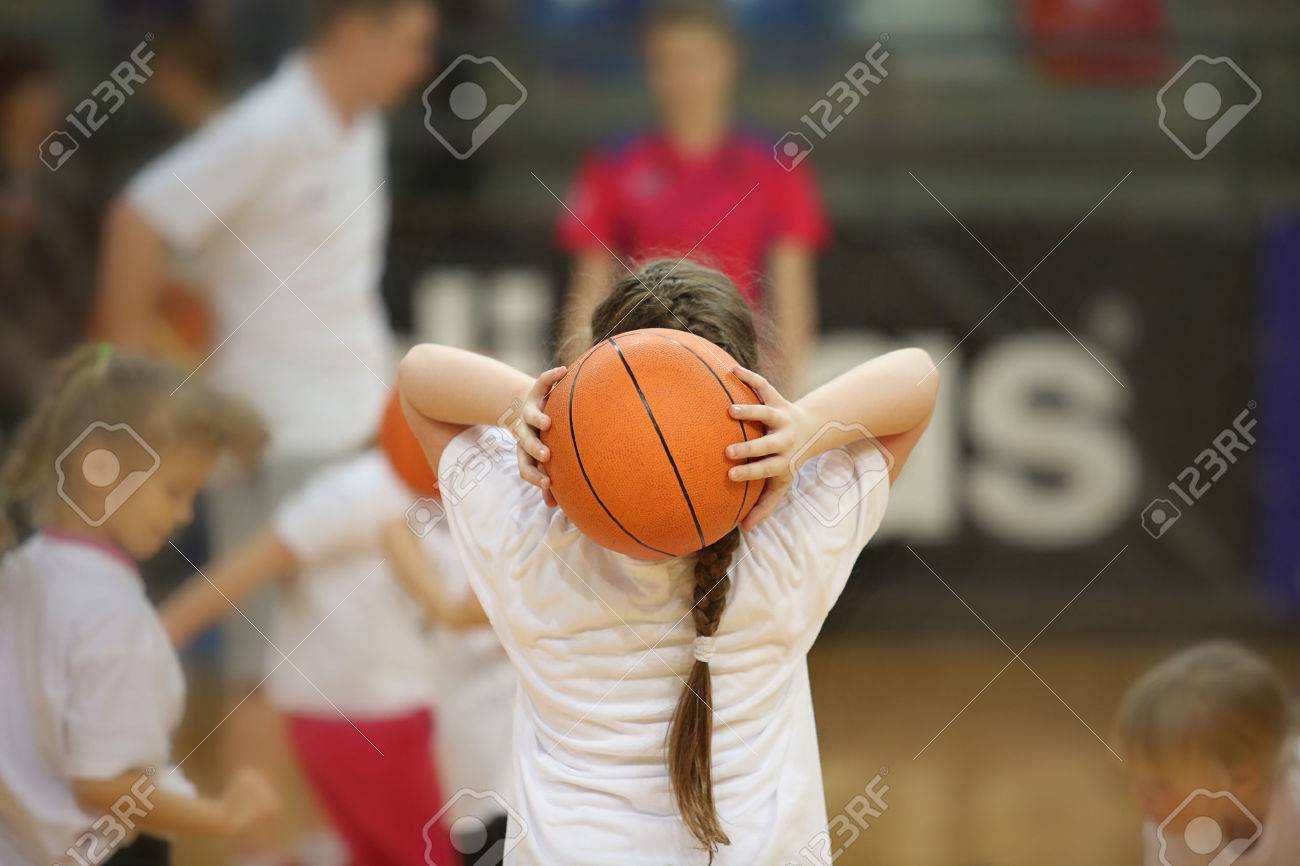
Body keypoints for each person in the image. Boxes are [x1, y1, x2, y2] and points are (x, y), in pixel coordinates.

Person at [398, 259, 937, 864]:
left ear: (587, 377)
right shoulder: (794, 537)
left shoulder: (526, 531)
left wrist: (530, 405)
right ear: (755, 393)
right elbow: (917, 379)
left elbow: (419, 377)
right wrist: (805, 427)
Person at [95, 2, 439, 862]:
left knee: (342, 665)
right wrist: (129, 396)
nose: (418, 66)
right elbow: (137, 219)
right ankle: (258, 855)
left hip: (358, 429)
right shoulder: (273, 124)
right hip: (277, 438)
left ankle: (321, 844)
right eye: (408, 44)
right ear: (355, 31)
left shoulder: (348, 124)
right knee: (261, 670)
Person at [159, 392, 511, 866]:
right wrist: (152, 641)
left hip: (387, 715)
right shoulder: (360, 490)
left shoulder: (452, 499)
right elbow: (238, 574)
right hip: (362, 716)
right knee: (423, 856)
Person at [0, 344, 276, 866]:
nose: (184, 514)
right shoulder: (111, 615)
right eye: (175, 491)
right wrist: (221, 816)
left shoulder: (22, 570)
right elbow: (101, 785)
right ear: (100, 467)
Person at [557, 1, 829, 392]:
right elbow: (587, 295)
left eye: (695, 61)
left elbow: (793, 302)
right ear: (649, 68)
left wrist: (780, 395)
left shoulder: (778, 167)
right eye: (666, 63)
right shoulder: (612, 165)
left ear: (730, 59)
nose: (683, 78)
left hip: (737, 369)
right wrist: (580, 387)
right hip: (637, 370)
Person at [1116, 641, 1299, 866]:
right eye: (1137, 777)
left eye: (1160, 784)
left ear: (1242, 778)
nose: (1139, 795)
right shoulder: (1172, 829)